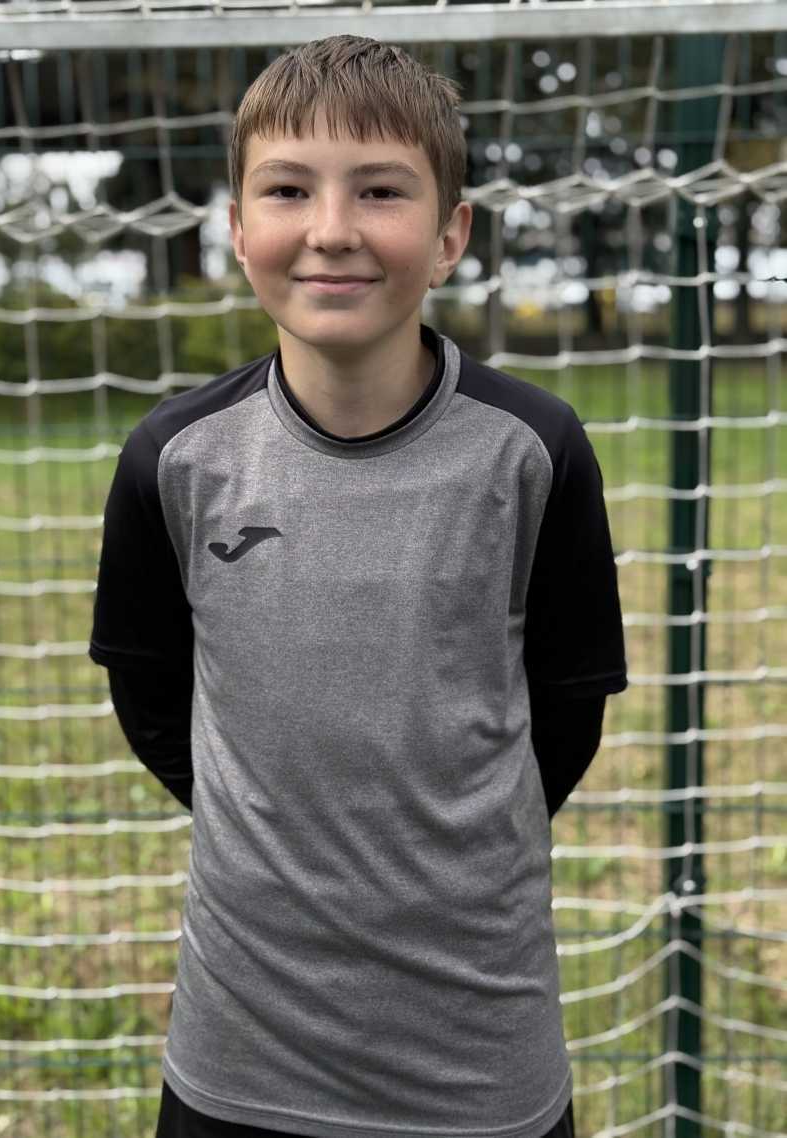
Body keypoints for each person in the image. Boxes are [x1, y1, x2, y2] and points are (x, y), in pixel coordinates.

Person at [88, 34, 627, 1138]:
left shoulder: (534, 450)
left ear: (450, 234)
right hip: (242, 1055)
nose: (331, 228)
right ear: (238, 227)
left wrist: (442, 843)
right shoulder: (173, 460)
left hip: (479, 1057)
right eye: (288, 189)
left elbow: (567, 705)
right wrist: (279, 832)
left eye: (380, 190)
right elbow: (151, 694)